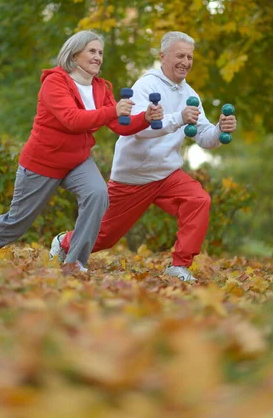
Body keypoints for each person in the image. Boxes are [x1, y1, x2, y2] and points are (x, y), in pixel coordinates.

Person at [0, 30, 163, 272]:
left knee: (98, 194)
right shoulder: (54, 82)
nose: (98, 57)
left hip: (77, 161)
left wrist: (145, 118)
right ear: (74, 55)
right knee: (18, 222)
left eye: (100, 53)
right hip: (43, 161)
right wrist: (114, 110)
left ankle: (74, 262)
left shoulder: (101, 87)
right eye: (92, 51)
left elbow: (119, 125)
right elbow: (72, 119)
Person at [51, 31, 237, 281]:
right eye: (179, 55)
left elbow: (203, 136)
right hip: (133, 177)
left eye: (190, 57)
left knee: (198, 200)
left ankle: (179, 266)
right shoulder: (146, 85)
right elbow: (139, 129)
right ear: (163, 56)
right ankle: (64, 242)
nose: (185, 62)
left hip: (167, 174)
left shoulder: (189, 93)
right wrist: (178, 118)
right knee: (105, 236)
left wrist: (218, 129)